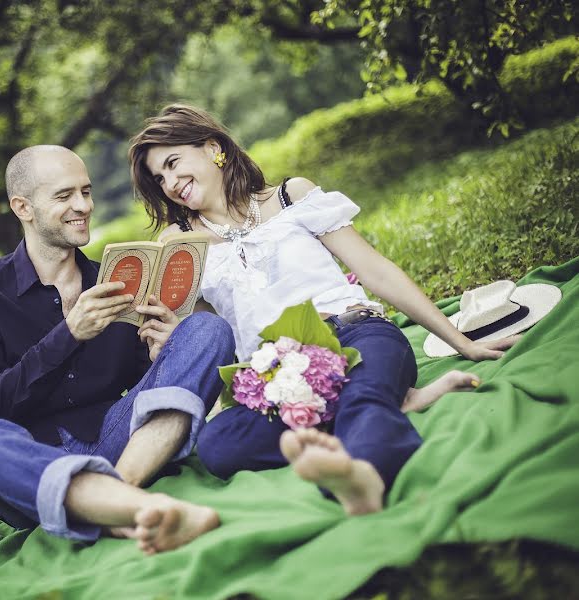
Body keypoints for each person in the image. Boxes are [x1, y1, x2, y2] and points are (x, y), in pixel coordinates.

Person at [127, 105, 519, 515]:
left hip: (355, 333)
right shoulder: (180, 242)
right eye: (160, 178)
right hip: (276, 376)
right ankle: (400, 402)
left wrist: (461, 342)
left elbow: (375, 271)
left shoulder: (291, 195)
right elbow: (212, 332)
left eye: (173, 163)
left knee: (363, 395)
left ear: (212, 148)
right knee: (218, 444)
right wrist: (175, 337)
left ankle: (363, 476)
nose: (171, 183)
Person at [0, 145, 235, 554]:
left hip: (121, 437)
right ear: (23, 207)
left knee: (207, 329)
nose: (83, 205)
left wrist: (164, 354)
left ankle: (118, 502)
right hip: (39, 459)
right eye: (64, 195)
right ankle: (134, 506)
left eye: (86, 191)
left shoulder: (119, 278)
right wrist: (69, 333)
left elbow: (146, 388)